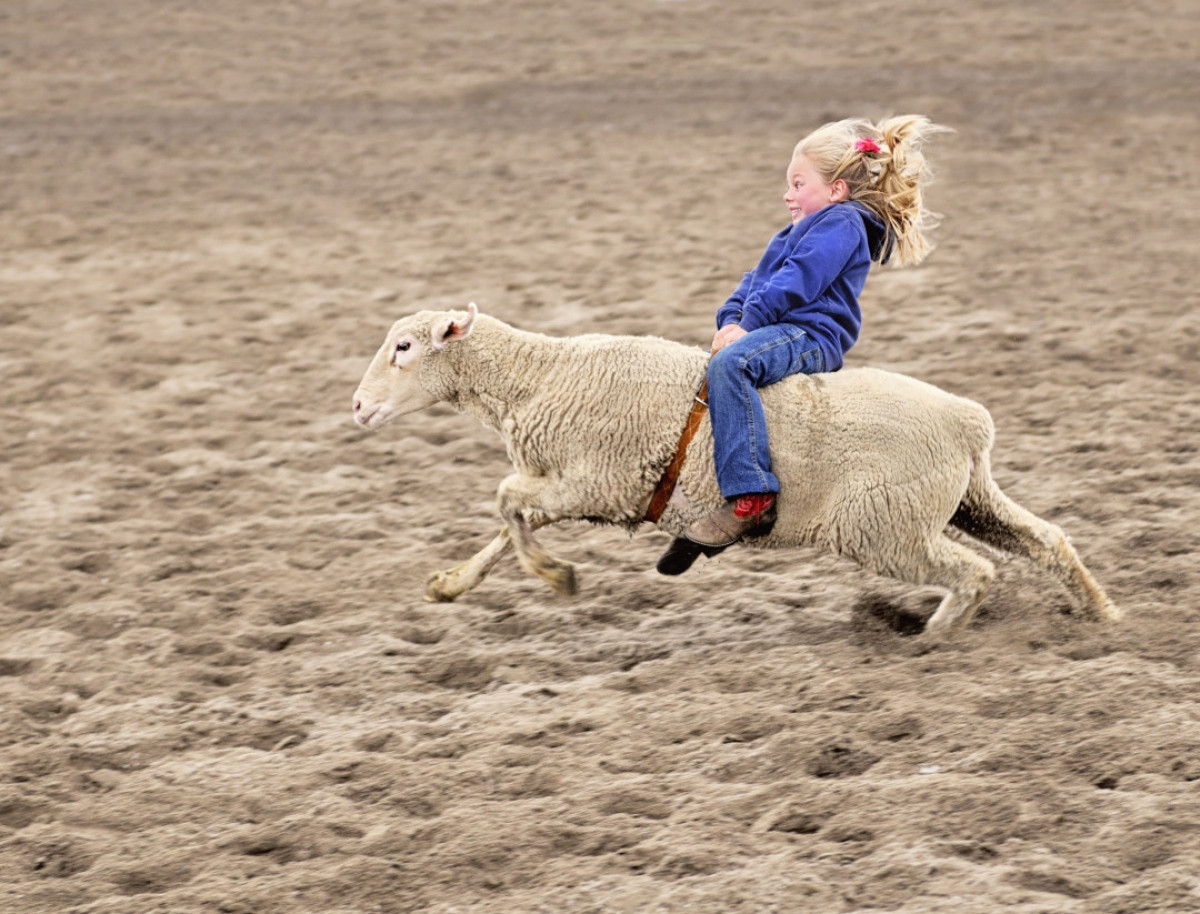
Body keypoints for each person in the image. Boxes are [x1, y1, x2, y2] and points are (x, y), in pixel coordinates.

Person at [658, 115, 949, 576]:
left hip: (811, 334)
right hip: (778, 328)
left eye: (798, 184)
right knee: (714, 363)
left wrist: (749, 325)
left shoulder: (844, 223)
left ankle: (751, 496)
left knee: (733, 366)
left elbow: (800, 279)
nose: (787, 194)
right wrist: (731, 319)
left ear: (836, 190)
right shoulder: (795, 230)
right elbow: (753, 281)